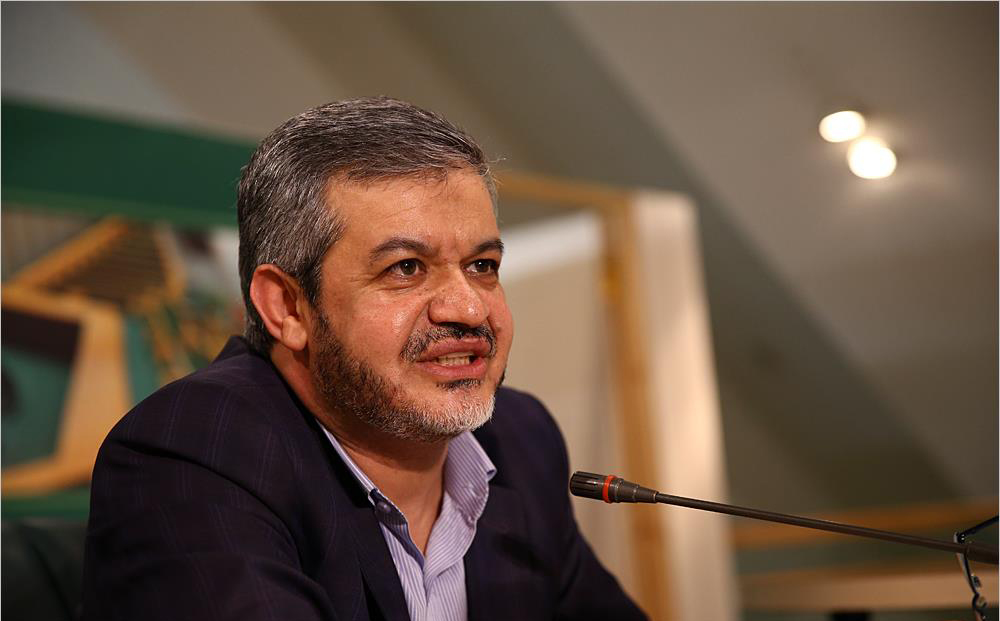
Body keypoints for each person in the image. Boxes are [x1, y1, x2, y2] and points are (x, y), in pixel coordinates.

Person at [81, 97, 646, 621]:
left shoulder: (521, 440)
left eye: (482, 266)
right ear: (288, 307)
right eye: (406, 268)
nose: (470, 308)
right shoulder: (195, 451)